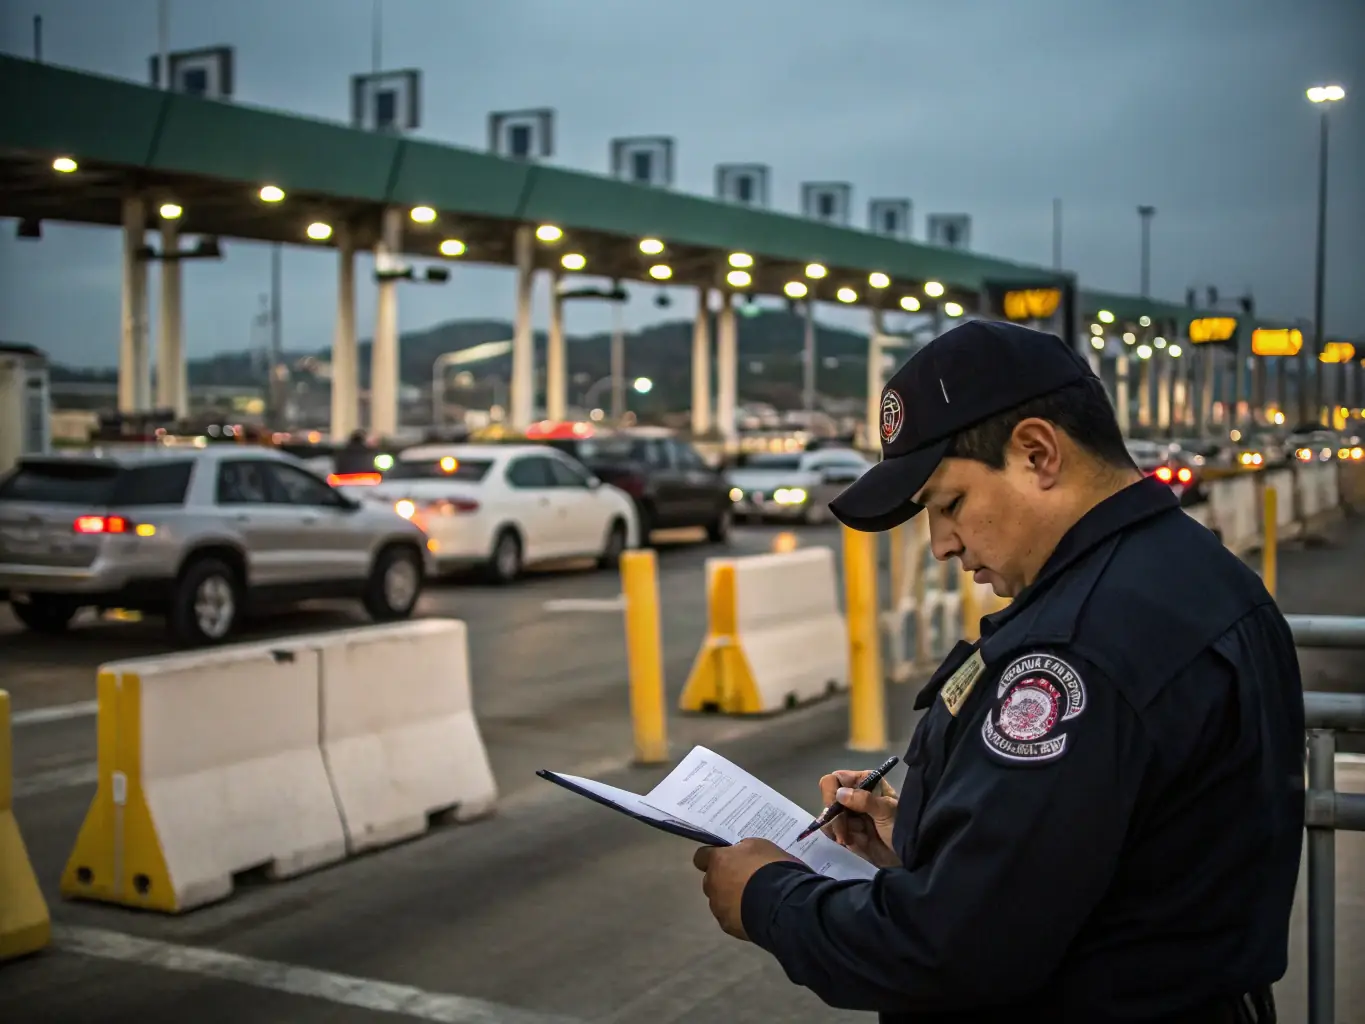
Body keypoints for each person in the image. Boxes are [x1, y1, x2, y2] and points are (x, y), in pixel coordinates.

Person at [692, 320, 1302, 1023]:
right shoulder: (1199, 575)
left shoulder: (1074, 651)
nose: (941, 543)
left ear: (1038, 453)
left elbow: (949, 953)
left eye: (948, 504)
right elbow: (1125, 850)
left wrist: (768, 895)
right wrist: (926, 832)